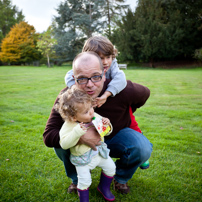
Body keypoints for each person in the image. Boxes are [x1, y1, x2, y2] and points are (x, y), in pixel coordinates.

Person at [43, 51, 153, 195]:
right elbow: (49, 135)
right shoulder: (68, 97)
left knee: (142, 147)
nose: (90, 85)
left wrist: (126, 110)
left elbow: (145, 93)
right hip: (81, 146)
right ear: (73, 78)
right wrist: (80, 137)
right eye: (82, 79)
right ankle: (77, 180)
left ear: (104, 73)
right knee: (61, 141)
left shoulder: (119, 89)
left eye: (96, 77)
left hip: (114, 137)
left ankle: (120, 178)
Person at [65, 35, 142, 133]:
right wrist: (76, 89)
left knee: (128, 119)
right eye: (101, 58)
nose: (105, 62)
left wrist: (106, 94)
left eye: (108, 57)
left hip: (115, 100)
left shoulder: (112, 64)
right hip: (92, 106)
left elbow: (121, 78)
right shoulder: (84, 67)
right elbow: (69, 76)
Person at [54, 87, 116, 201]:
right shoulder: (69, 126)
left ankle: (104, 187)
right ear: (74, 117)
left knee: (111, 168)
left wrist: (108, 125)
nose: (92, 112)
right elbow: (64, 144)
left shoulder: (94, 116)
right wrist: (77, 133)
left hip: (99, 153)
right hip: (82, 160)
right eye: (86, 112)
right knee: (85, 181)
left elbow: (107, 132)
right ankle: (84, 199)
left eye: (91, 107)